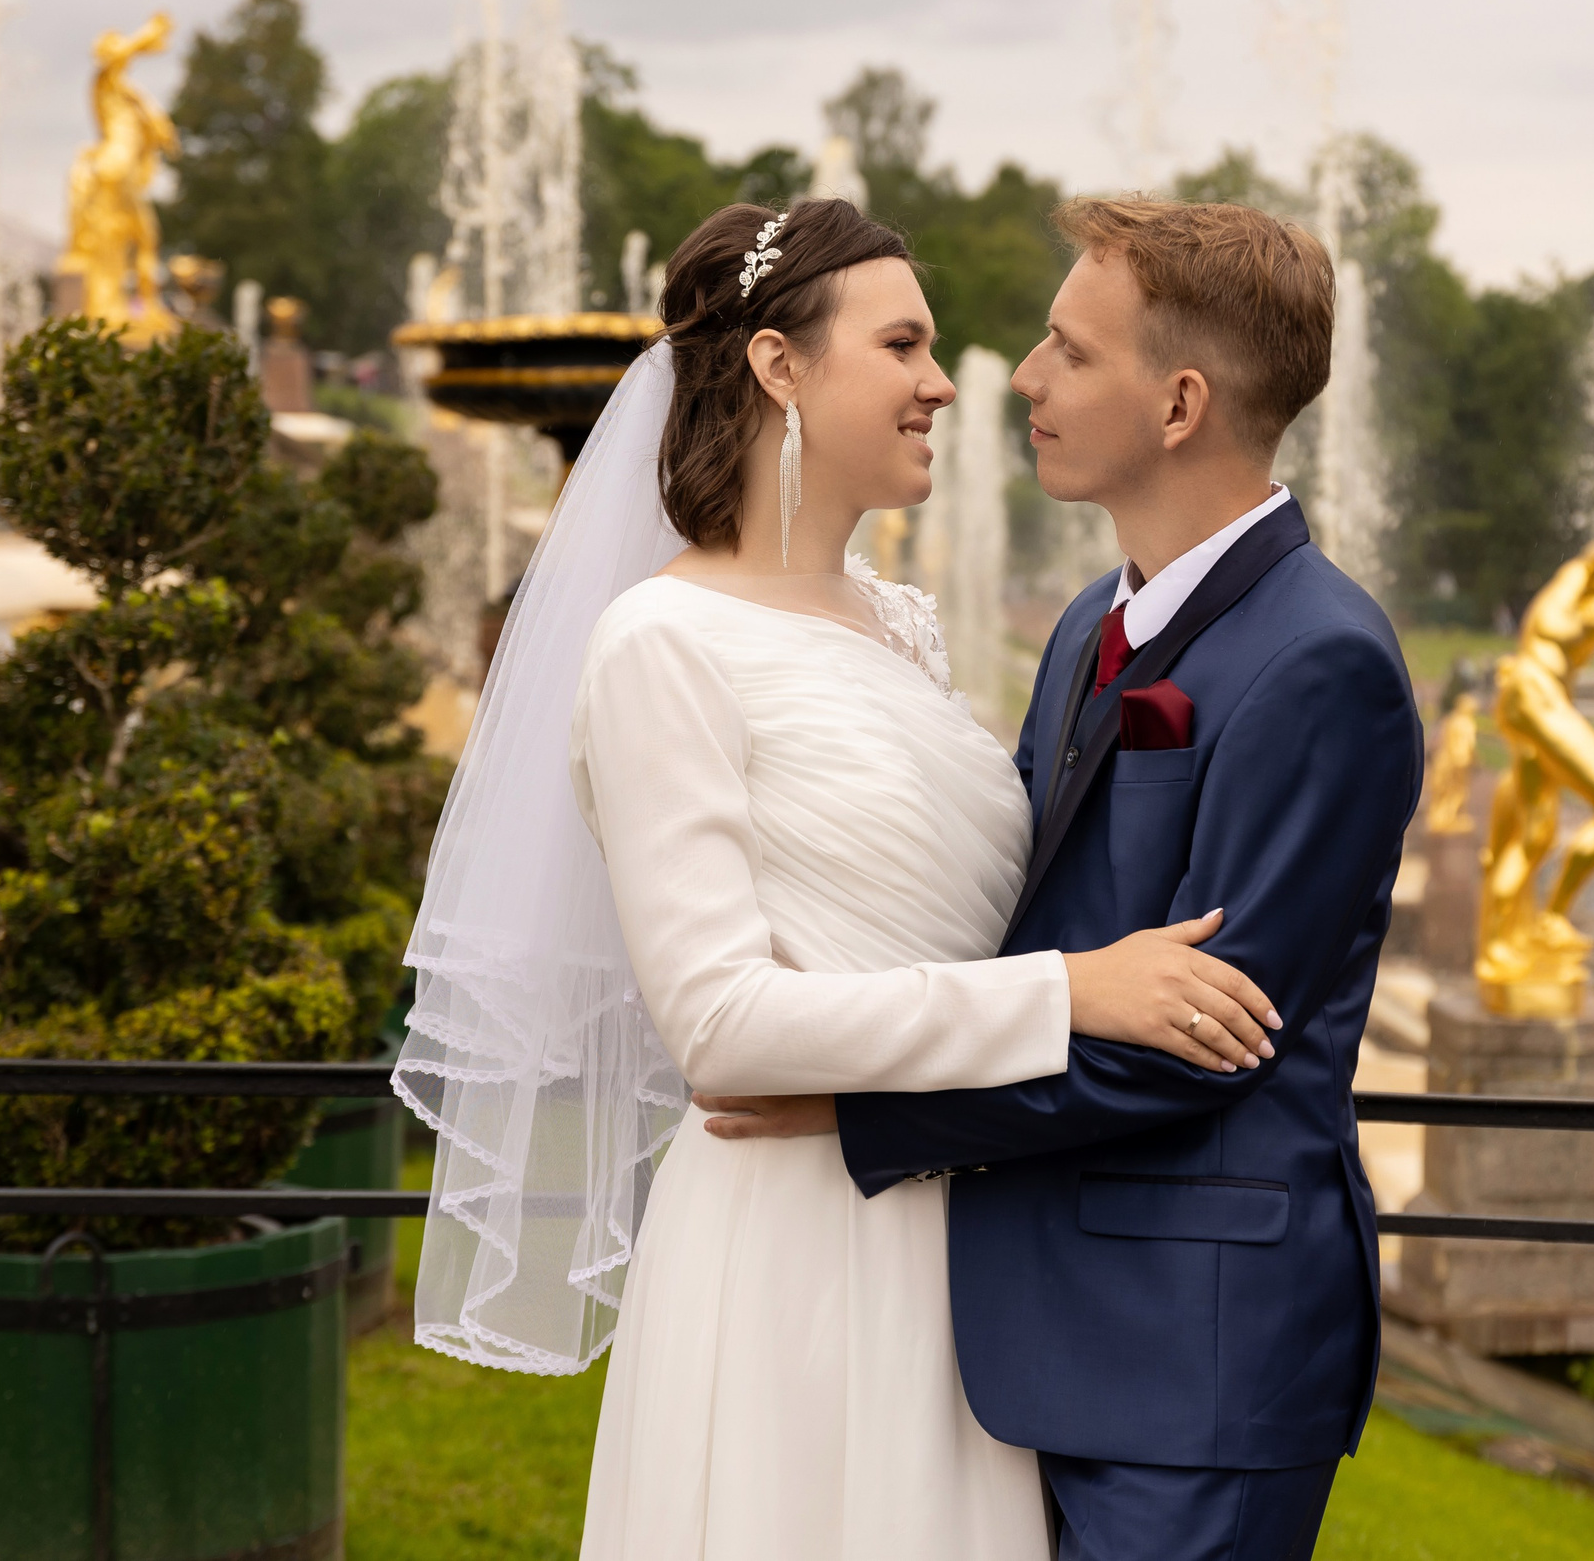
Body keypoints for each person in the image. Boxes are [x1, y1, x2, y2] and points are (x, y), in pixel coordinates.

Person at [394, 198, 1292, 1561]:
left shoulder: (904, 625)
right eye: (904, 344)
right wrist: (1073, 992)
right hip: (792, 1244)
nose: (945, 381)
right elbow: (720, 1025)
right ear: (778, 366)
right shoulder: (663, 643)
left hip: (969, 1243)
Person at [709, 196, 1421, 1559]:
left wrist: (855, 1107)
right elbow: (1053, 941)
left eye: (1070, 350)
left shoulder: (1324, 661)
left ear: (1181, 404)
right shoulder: (1095, 624)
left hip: (1192, 1361)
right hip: (1033, 1323)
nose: (1024, 377)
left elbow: (1206, 1042)